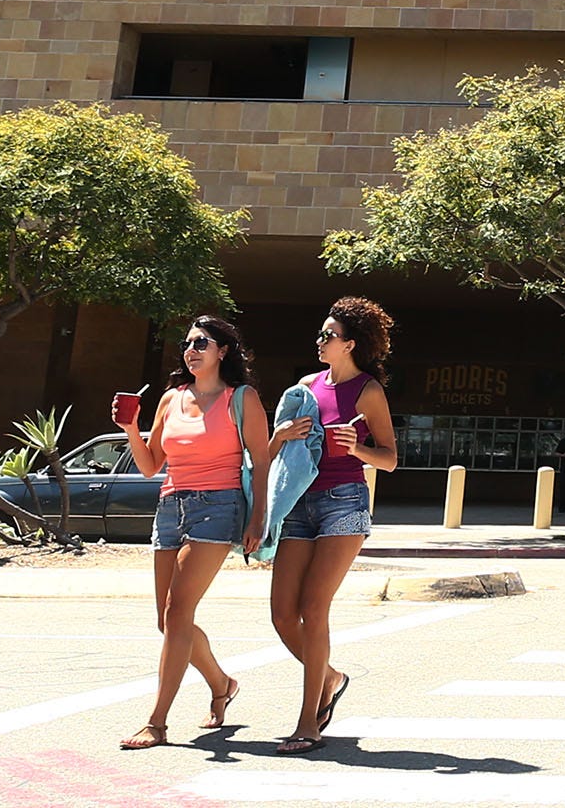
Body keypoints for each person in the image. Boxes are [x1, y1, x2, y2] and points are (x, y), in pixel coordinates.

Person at [115, 314, 269, 750]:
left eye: (202, 343)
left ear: (223, 351)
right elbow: (150, 466)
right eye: (188, 343)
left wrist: (257, 519)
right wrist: (131, 429)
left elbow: (261, 461)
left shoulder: (242, 398)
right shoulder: (171, 398)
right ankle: (222, 684)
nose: (191, 350)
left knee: (178, 611)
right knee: (167, 621)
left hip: (218, 507)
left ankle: (157, 722)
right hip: (170, 506)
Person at [267, 296, 400, 755]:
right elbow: (274, 453)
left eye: (329, 335)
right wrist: (280, 435)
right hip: (298, 503)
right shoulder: (306, 386)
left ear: (350, 344)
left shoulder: (368, 392)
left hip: (343, 502)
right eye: (321, 333)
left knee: (313, 607)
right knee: (282, 614)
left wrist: (357, 448)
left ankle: (308, 722)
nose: (320, 340)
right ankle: (330, 677)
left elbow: (390, 459)